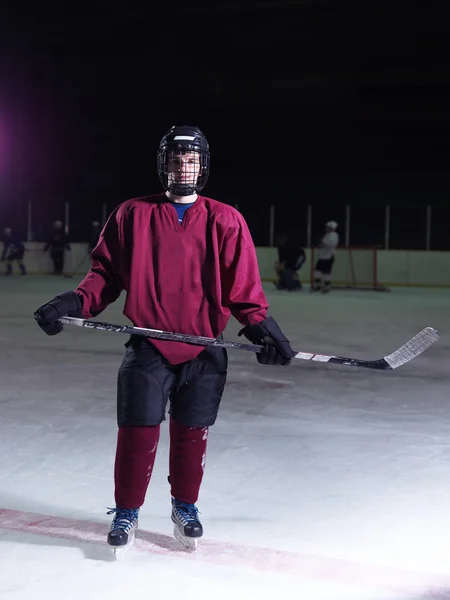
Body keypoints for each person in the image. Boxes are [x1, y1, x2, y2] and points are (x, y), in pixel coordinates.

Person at [33, 125, 295, 552]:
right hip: (148, 345)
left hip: (206, 348)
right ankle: (127, 511)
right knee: (137, 431)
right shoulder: (131, 214)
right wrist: (71, 303)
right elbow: (104, 276)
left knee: (193, 433)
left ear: (203, 167)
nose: (183, 168)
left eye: (191, 161)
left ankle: (185, 505)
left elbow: (243, 289)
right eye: (176, 160)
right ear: (163, 165)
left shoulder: (226, 219)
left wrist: (263, 330)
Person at [311, 220, 339, 293]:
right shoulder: (327, 235)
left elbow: (329, 244)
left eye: (327, 227)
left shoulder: (333, 235)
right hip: (323, 256)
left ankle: (326, 287)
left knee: (326, 271)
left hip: (328, 256)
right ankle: (318, 285)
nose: (326, 228)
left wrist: (321, 243)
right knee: (318, 270)